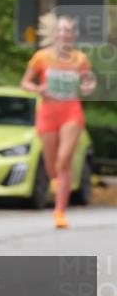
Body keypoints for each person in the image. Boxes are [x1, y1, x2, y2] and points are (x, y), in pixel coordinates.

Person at [20, 14, 97, 229]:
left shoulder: (80, 59)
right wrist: (38, 89)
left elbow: (89, 80)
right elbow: (25, 83)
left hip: (71, 112)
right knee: (51, 163)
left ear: (73, 36)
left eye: (69, 31)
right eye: (61, 31)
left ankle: (59, 212)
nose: (65, 35)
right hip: (47, 113)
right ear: (55, 34)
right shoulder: (41, 58)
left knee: (65, 159)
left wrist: (89, 86)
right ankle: (55, 178)